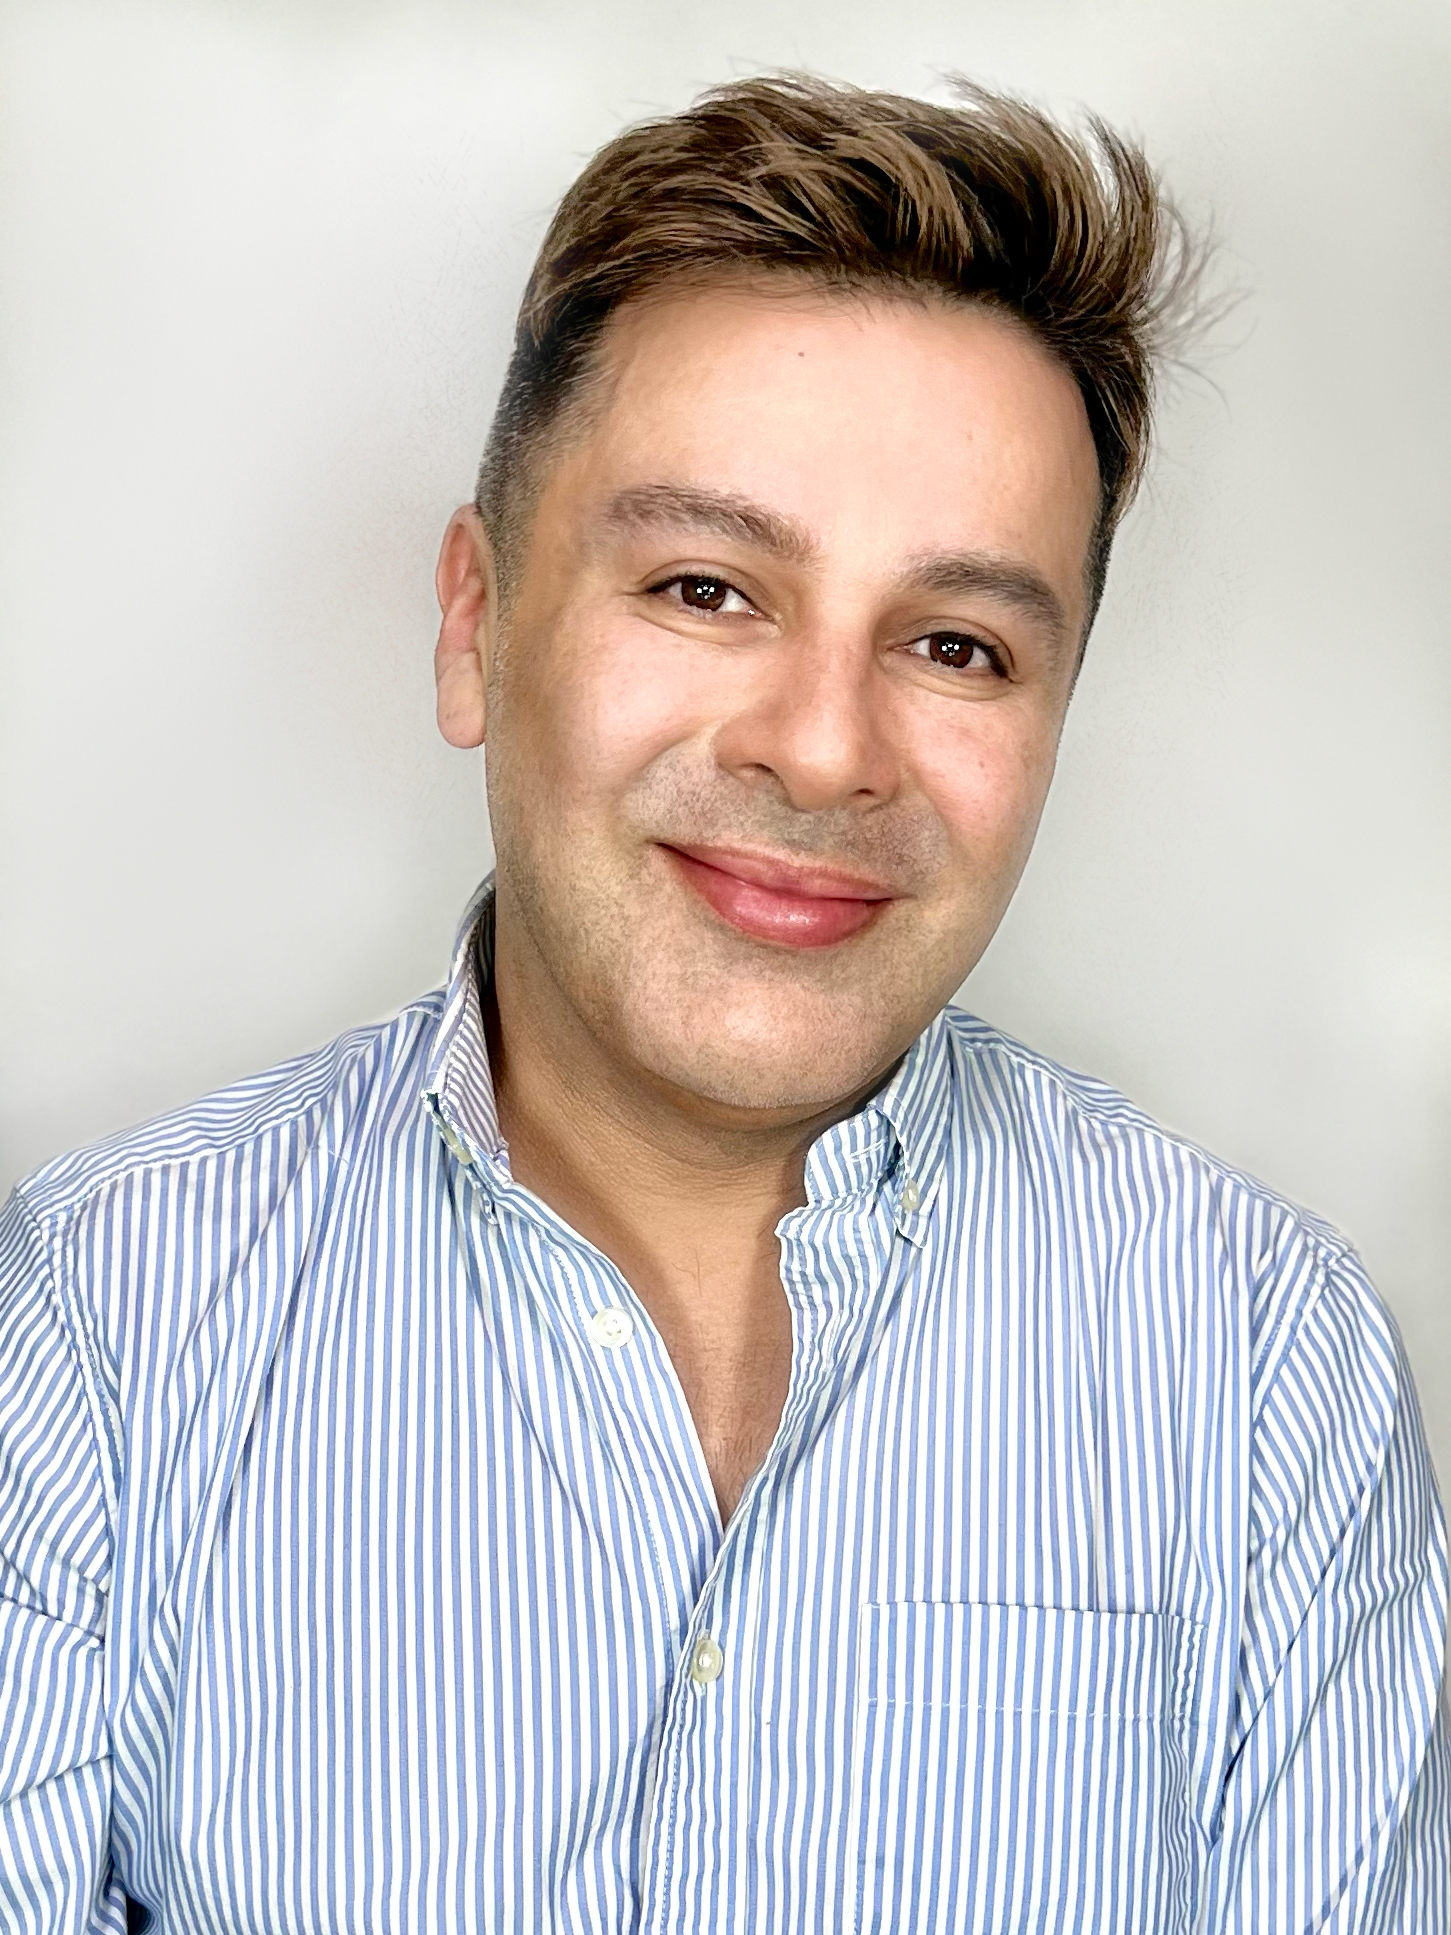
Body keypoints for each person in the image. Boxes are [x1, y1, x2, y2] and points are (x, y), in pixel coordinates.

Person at [1, 72, 1445, 1935]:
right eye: (706, 588)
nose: (827, 750)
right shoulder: (90, 1336)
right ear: (473, 624)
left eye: (957, 645)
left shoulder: (1267, 1370)